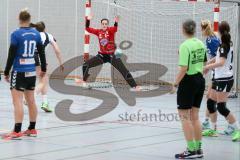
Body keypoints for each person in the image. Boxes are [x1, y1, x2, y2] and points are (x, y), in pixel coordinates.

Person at [3, 9, 46, 139]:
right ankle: (32, 129)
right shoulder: (36, 34)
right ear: (29, 19)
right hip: (31, 72)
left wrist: (6, 72)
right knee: (31, 100)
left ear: (19, 19)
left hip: (19, 71)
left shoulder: (16, 34)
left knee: (17, 102)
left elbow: (11, 55)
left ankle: (17, 131)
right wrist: (43, 68)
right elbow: (41, 52)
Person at [77, 14, 141, 90]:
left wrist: (116, 22)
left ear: (107, 25)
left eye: (106, 24)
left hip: (112, 55)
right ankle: (84, 80)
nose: (104, 25)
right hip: (102, 56)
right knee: (85, 65)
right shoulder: (98, 32)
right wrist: (88, 20)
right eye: (103, 24)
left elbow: (115, 29)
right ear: (101, 24)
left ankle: (135, 86)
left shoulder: (110, 30)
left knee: (123, 70)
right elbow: (87, 29)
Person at [173, 19, 206, 159]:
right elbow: (204, 63)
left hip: (188, 81)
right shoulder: (200, 43)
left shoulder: (184, 46)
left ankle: (191, 150)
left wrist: (175, 84)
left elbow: (184, 68)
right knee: (195, 117)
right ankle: (198, 150)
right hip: (200, 80)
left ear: (183, 29)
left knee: (184, 117)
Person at [203, 21, 240, 141]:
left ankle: (238, 129)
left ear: (219, 31)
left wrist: (207, 67)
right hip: (218, 78)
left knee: (221, 107)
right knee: (210, 102)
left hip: (225, 79)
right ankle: (213, 130)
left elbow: (222, 62)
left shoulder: (225, 45)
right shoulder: (224, 43)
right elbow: (219, 56)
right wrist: (210, 61)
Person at [30, 21, 64, 112]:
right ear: (44, 29)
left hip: (27, 59)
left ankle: (45, 103)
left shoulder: (31, 34)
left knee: (43, 81)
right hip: (38, 59)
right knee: (42, 82)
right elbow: (57, 50)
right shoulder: (48, 36)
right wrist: (61, 63)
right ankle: (30, 98)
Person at [200, 20, 221, 131]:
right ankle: (206, 121)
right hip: (215, 71)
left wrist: (207, 66)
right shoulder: (212, 38)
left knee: (216, 101)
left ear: (203, 29)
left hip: (219, 73)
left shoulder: (211, 40)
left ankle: (232, 125)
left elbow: (219, 57)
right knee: (210, 98)